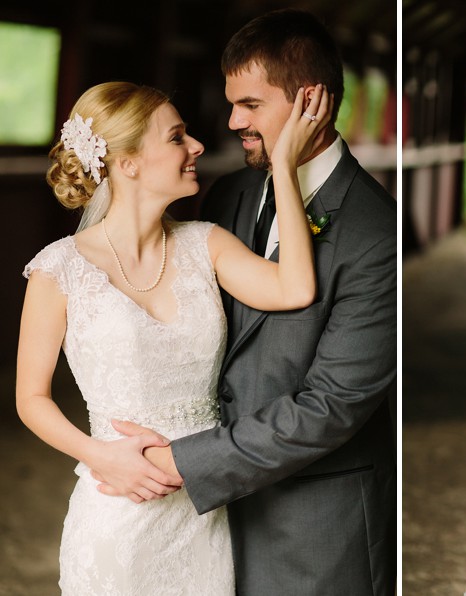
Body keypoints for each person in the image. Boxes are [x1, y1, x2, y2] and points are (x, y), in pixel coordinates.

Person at [91, 9, 397, 595]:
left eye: (251, 105)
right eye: (232, 104)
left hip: (313, 522)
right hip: (202, 521)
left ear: (313, 101)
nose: (232, 121)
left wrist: (184, 462)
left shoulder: (374, 230)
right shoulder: (227, 193)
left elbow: (332, 405)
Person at [16, 80, 329, 593]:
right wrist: (99, 454)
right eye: (177, 137)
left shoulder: (205, 244)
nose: (197, 147)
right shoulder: (59, 268)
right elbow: (30, 398)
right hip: (118, 508)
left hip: (202, 511)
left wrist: (286, 168)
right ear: (129, 163)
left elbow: (294, 287)